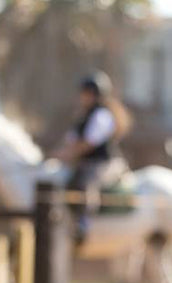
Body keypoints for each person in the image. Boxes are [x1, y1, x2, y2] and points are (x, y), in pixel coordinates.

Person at [52, 70, 131, 245]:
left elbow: (88, 143)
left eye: (86, 93)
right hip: (88, 162)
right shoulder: (83, 116)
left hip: (106, 163)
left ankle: (83, 223)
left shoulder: (102, 116)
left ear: (96, 95)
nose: (83, 97)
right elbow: (71, 140)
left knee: (85, 181)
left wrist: (67, 154)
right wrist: (57, 154)